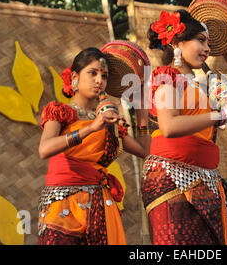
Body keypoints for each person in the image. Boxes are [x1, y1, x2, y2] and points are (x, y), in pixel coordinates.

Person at [141, 10, 227, 245]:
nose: (207, 48)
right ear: (176, 42)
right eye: (201, 41)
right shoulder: (166, 78)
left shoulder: (204, 85)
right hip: (170, 176)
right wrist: (223, 113)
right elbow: (168, 126)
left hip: (204, 177)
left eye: (210, 43)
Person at [37, 47, 149, 245]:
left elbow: (144, 151)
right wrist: (91, 128)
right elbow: (44, 149)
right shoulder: (61, 112)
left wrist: (140, 107)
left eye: (104, 76)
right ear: (74, 76)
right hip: (63, 206)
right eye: (93, 73)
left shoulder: (108, 121)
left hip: (100, 206)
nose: (99, 80)